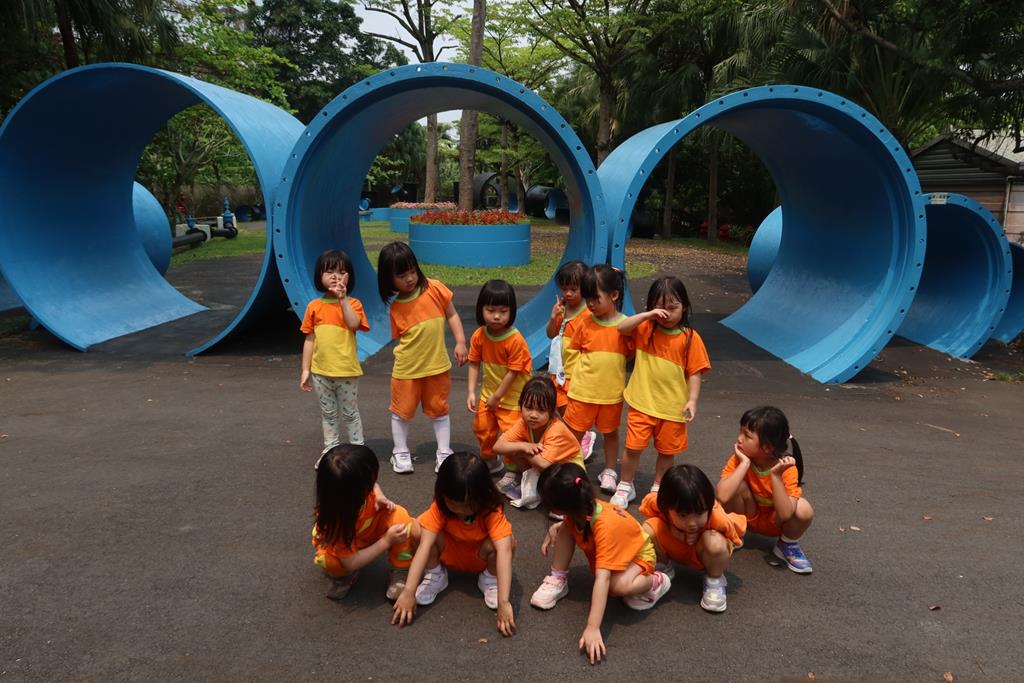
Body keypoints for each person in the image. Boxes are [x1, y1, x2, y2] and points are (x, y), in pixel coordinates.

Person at [530, 463, 671, 665]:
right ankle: (557, 577)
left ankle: (655, 582)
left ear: (558, 507)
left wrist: (593, 627)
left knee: (617, 586)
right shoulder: (582, 509)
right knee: (565, 528)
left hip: (638, 555)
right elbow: (573, 522)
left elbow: (602, 579)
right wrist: (559, 527)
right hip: (618, 546)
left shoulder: (604, 526)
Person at [392, 452, 517, 636]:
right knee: (419, 528)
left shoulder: (491, 510)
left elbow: (504, 552)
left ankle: (490, 578)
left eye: (467, 505)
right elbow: (425, 546)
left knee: (508, 541)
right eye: (453, 503)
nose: (460, 510)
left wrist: (504, 602)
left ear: (483, 495)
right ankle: (435, 574)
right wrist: (408, 592)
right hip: (448, 553)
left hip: (479, 558)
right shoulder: (440, 506)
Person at [612, 276, 711, 506]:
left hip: (672, 409)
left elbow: (695, 373)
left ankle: (658, 487)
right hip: (642, 403)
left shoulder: (690, 338)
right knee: (632, 448)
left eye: (672, 307)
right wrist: (648, 315)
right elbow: (622, 328)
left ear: (684, 306)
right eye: (660, 308)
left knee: (667, 452)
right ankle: (625, 485)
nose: (666, 314)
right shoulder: (645, 328)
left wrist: (692, 401)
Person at [377, 242, 468, 474]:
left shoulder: (435, 288)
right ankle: (400, 451)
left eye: (412, 271)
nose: (409, 278)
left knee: (440, 410)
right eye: (401, 276)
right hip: (407, 370)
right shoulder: (396, 307)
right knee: (401, 412)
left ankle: (444, 451)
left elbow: (452, 314)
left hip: (437, 366)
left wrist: (460, 342)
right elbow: (402, 338)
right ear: (389, 280)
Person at [311, 444, 418, 600]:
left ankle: (401, 570)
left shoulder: (347, 489)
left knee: (400, 518)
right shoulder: (336, 523)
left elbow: (374, 485)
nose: (374, 482)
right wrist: (386, 540)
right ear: (358, 491)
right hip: (348, 547)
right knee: (333, 563)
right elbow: (350, 562)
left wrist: (380, 497)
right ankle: (345, 576)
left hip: (366, 528)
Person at [562, 265, 634, 495]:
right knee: (575, 432)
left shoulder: (625, 326)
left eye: (595, 298)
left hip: (610, 394)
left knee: (610, 432)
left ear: (614, 295)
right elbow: (573, 351)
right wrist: (571, 378)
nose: (590, 304)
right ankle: (573, 468)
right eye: (588, 298)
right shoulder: (585, 322)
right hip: (582, 391)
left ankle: (610, 470)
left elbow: (629, 353)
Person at [716, 406, 815, 573]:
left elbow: (785, 514)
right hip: (745, 516)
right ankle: (735, 533)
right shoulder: (739, 459)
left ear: (767, 447)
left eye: (747, 435)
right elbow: (722, 496)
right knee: (735, 484)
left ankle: (787, 544)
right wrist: (744, 464)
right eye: (740, 432)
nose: (739, 439)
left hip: (774, 522)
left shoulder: (787, 468)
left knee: (803, 508)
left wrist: (776, 476)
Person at [638, 464, 745, 612]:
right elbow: (647, 503)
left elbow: (735, 533)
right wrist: (673, 529)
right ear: (665, 508)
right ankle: (663, 565)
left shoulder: (717, 516)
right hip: (675, 547)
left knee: (715, 542)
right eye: (683, 515)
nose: (692, 523)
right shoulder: (661, 503)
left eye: (699, 513)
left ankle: (714, 579)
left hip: (702, 552)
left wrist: (708, 535)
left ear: (709, 505)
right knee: (647, 529)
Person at [300, 250, 369, 463]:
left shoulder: (353, 304)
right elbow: (309, 339)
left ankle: (358, 451)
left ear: (349, 277)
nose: (335, 276)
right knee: (328, 414)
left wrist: (343, 299)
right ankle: (331, 449)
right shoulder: (314, 306)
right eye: (329, 271)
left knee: (350, 413)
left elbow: (354, 324)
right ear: (319, 275)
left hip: (346, 371)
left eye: (341, 272)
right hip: (321, 372)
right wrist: (305, 369)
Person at [466, 280, 532, 476]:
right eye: (490, 310)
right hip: (489, 395)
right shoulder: (479, 335)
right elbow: (474, 363)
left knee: (512, 437)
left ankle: (517, 472)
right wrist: (471, 392)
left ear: (512, 312)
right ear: (481, 309)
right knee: (482, 428)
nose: (496, 316)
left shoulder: (515, 340)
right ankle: (491, 460)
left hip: (513, 399)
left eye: (503, 311)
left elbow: (513, 372)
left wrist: (497, 397)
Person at [493, 376, 584, 509]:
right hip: (547, 466)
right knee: (515, 447)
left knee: (517, 450)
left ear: (551, 411)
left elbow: (543, 464)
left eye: (541, 410)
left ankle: (545, 492)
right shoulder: (523, 423)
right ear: (520, 405)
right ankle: (533, 485)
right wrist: (523, 446)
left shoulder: (556, 429)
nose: (533, 415)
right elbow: (497, 447)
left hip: (569, 470)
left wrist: (522, 451)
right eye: (529, 407)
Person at [545, 260, 596, 459]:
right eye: (564, 289)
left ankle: (582, 435)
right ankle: (575, 434)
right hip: (558, 368)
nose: (568, 294)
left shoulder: (588, 313)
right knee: (558, 404)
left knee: (572, 407)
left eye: (574, 289)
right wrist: (553, 317)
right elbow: (550, 334)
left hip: (576, 371)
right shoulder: (562, 309)